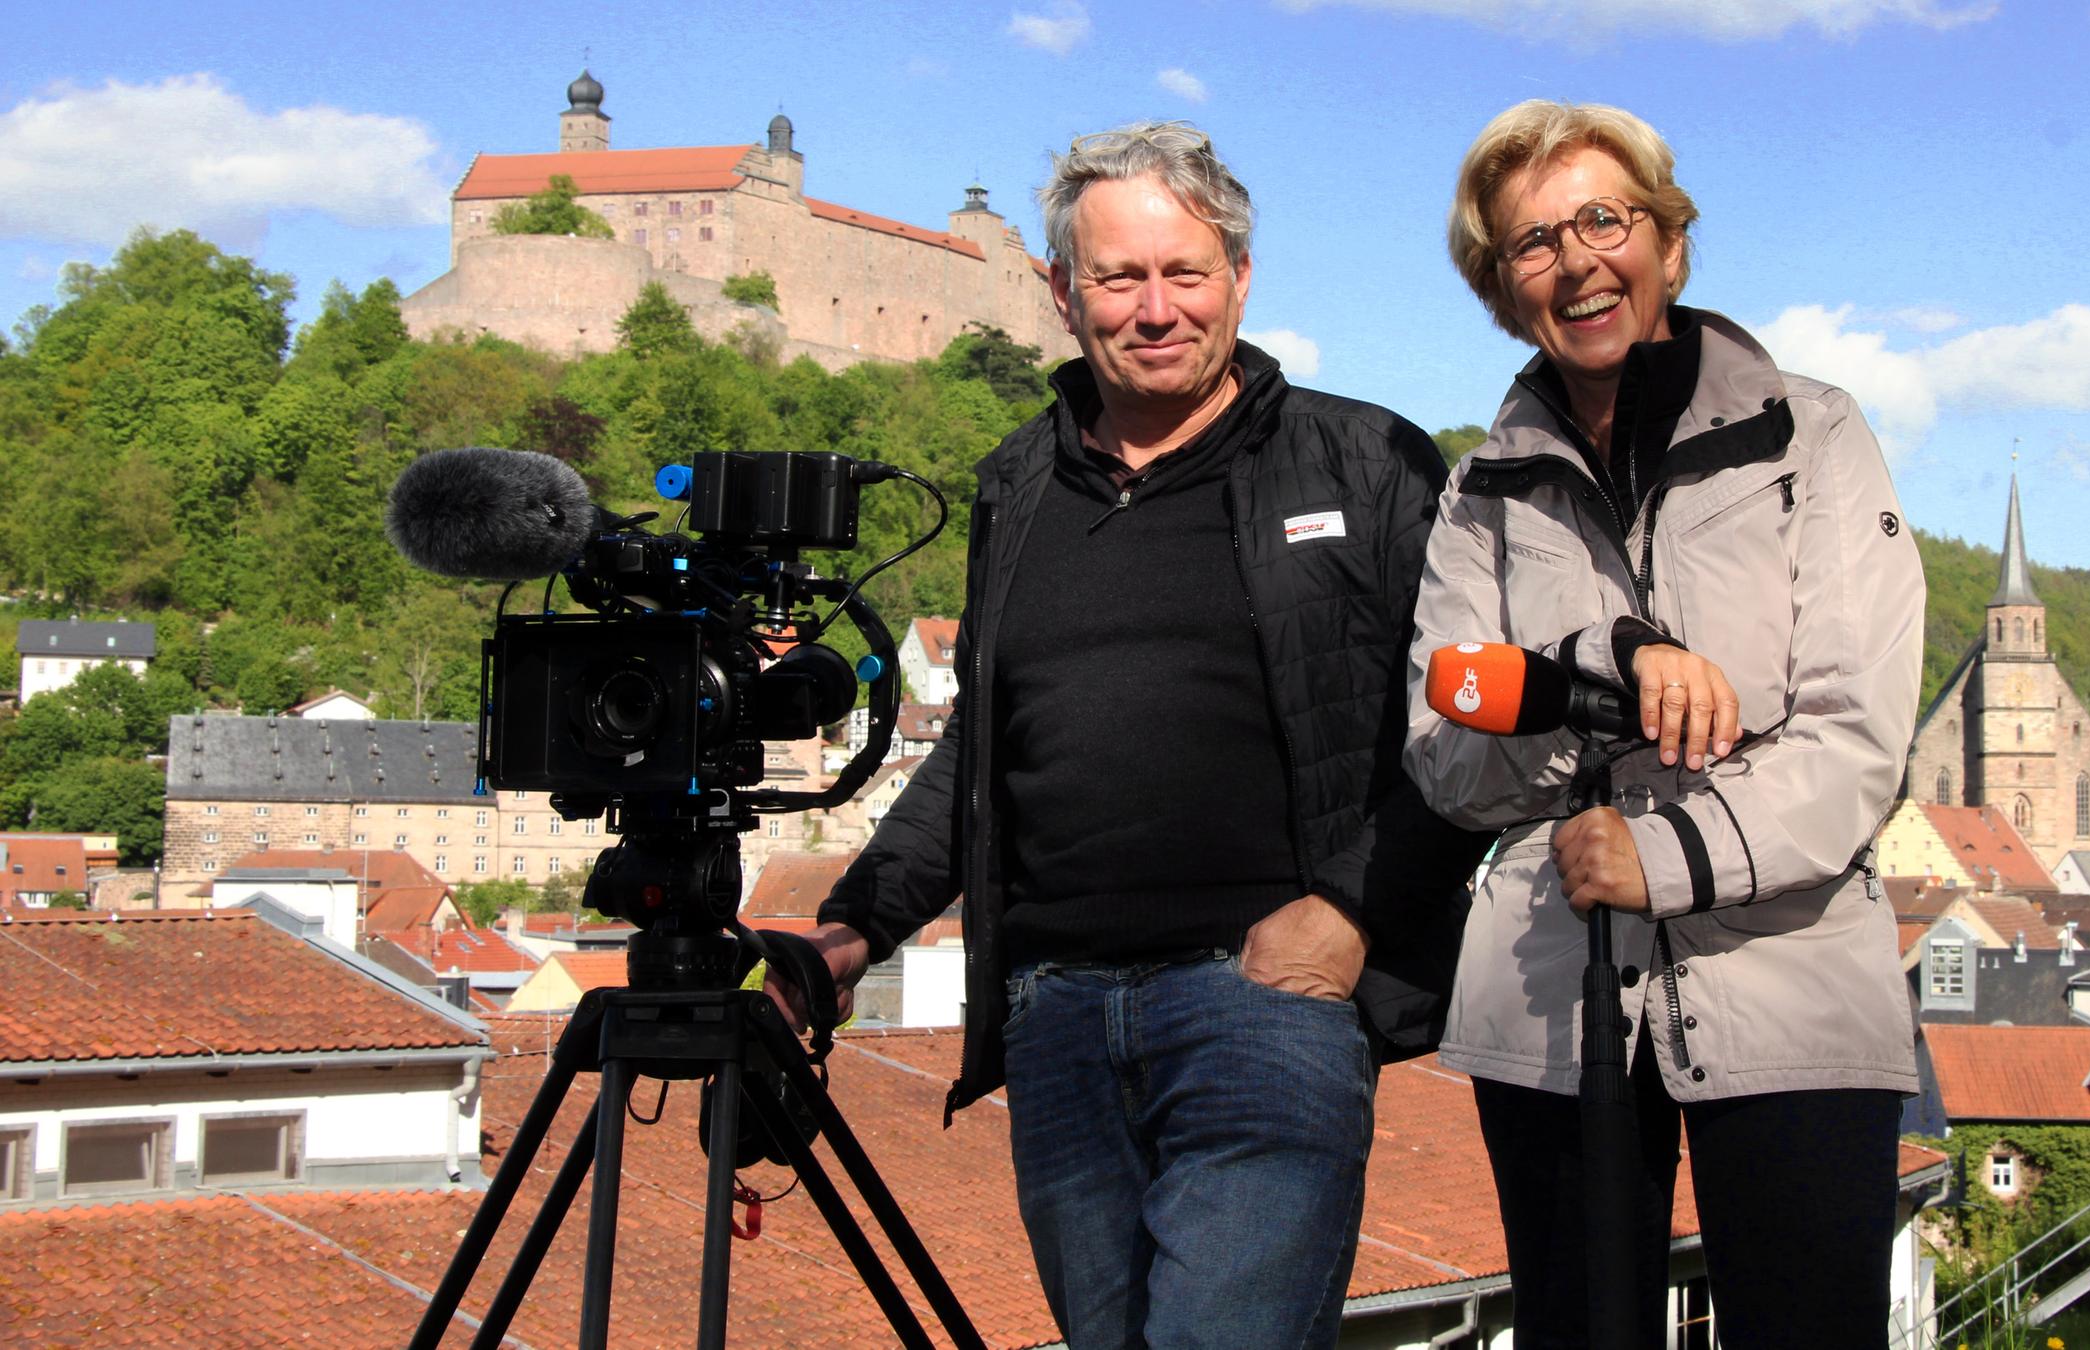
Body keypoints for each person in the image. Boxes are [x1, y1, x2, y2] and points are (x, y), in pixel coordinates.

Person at [770, 121, 1486, 1349]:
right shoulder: (1017, 484)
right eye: (1119, 278)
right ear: (1062, 292)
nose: (1157, 310)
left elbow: (1461, 730)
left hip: (1263, 1004)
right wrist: (852, 928)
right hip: (1055, 1021)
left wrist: (1351, 913)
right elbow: (982, 751)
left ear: (1241, 279)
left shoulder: (1361, 457)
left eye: (1186, 273)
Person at [1404, 100, 1925, 1348]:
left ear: (1670, 246)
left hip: (1794, 977)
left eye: (1604, 219)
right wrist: (1599, 667)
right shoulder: (1480, 493)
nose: (1577, 260)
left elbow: (1859, 735)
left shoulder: (1815, 433)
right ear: (1502, 287)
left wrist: (1668, 855)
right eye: (1532, 243)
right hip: (1551, 986)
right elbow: (1448, 763)